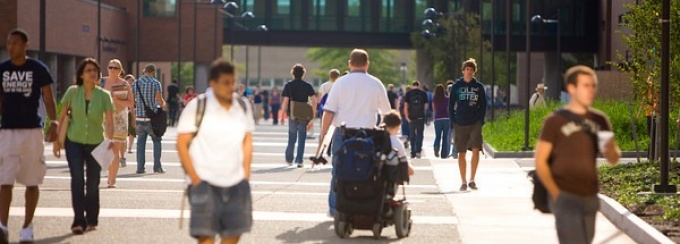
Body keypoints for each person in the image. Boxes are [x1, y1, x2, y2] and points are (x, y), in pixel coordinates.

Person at [534, 65, 621, 244]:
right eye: (585, 85)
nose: (591, 90)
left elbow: (612, 158)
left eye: (593, 86)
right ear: (572, 88)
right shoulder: (554, 121)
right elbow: (540, 160)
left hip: (589, 196)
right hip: (564, 195)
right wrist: (556, 192)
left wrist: (611, 150)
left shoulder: (600, 120)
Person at [177, 60, 254, 244]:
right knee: (206, 238)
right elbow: (181, 144)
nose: (231, 87)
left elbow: (247, 141)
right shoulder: (197, 106)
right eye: (226, 83)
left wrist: (246, 175)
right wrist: (195, 179)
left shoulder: (242, 106)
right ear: (213, 84)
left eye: (232, 82)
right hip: (205, 183)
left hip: (236, 182)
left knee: (233, 235)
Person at [0, 29, 59, 243]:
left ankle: (27, 227)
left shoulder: (37, 69)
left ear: (26, 45)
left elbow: (48, 98)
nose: (11, 47)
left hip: (32, 131)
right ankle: (3, 226)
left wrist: (54, 121)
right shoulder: (3, 69)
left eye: (15, 43)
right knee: (4, 181)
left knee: (31, 181)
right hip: (7, 131)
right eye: (8, 43)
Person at [319, 49, 391, 217]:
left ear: (349, 64)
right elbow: (387, 113)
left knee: (338, 170)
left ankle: (335, 208)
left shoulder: (340, 83)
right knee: (367, 169)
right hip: (368, 134)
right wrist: (382, 128)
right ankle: (364, 204)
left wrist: (323, 137)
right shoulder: (376, 83)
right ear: (367, 64)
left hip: (343, 133)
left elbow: (328, 112)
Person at [53, 58, 114, 234]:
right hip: (74, 142)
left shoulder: (104, 95)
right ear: (81, 74)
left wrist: (110, 141)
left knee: (93, 183)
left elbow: (109, 122)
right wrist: (58, 142)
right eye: (88, 70)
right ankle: (79, 221)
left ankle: (92, 217)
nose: (92, 73)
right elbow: (62, 117)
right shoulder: (72, 92)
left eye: (95, 70)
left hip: (96, 143)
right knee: (78, 180)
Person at [449, 58, 486, 191]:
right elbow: (451, 104)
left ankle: (472, 179)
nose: (469, 72)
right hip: (460, 122)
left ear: (474, 72)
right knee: (462, 153)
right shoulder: (456, 86)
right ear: (463, 71)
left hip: (475, 122)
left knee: (476, 149)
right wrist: (453, 120)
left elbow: (483, 105)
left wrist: (480, 120)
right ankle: (463, 181)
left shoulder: (479, 87)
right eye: (467, 69)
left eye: (471, 69)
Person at [102, 60, 135, 187]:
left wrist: (116, 100)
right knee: (107, 150)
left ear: (120, 70)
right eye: (110, 67)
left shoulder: (125, 84)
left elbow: (131, 104)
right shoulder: (102, 82)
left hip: (120, 118)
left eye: (115, 68)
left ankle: (112, 179)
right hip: (105, 118)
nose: (112, 69)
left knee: (115, 151)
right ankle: (110, 175)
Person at [281, 64, 317, 167]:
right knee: (302, 137)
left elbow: (285, 100)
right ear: (303, 74)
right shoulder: (307, 85)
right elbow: (314, 100)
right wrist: (312, 114)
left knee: (292, 137)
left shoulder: (289, 85)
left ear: (293, 73)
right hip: (303, 115)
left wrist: (282, 114)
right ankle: (299, 160)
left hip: (292, 114)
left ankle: (289, 159)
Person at [132, 64, 165, 174]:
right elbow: (159, 100)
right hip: (152, 119)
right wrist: (163, 105)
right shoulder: (156, 83)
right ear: (153, 72)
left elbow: (132, 101)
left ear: (144, 71)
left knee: (140, 143)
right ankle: (157, 167)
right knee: (157, 141)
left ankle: (140, 168)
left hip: (139, 117)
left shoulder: (136, 83)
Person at [383, 110, 416, 176]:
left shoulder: (374, 139)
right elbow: (408, 170)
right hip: (388, 181)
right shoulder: (397, 143)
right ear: (397, 126)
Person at [404, 81, 428, 159]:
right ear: (419, 85)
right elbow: (426, 106)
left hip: (411, 117)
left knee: (412, 135)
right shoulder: (423, 93)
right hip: (420, 117)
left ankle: (412, 152)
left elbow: (406, 105)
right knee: (420, 134)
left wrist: (407, 116)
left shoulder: (408, 93)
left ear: (412, 85)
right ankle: (418, 151)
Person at [638, 76, 658, 160]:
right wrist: (639, 112)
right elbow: (643, 102)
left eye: (651, 82)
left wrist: (654, 109)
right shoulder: (646, 92)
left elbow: (656, 103)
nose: (649, 83)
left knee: (654, 135)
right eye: (648, 82)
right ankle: (650, 155)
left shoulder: (656, 91)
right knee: (650, 135)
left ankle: (654, 155)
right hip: (648, 114)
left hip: (655, 115)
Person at [432, 84, 451, 159]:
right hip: (446, 118)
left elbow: (434, 109)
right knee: (445, 137)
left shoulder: (434, 99)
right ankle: (443, 154)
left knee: (438, 136)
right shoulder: (447, 99)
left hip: (437, 119)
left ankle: (436, 148)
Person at [124, 75, 137, 154]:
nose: (131, 82)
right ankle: (124, 146)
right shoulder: (122, 89)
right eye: (129, 80)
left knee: (132, 131)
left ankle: (130, 147)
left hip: (132, 112)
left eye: (132, 81)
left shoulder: (135, 91)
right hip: (124, 111)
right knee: (124, 131)